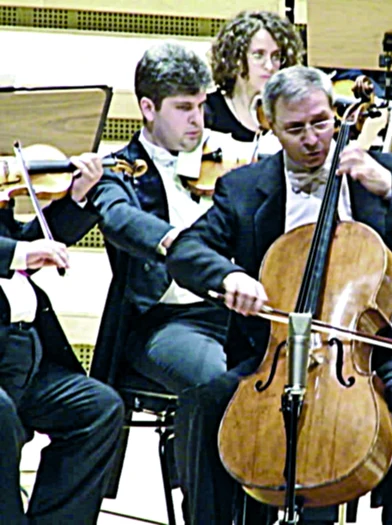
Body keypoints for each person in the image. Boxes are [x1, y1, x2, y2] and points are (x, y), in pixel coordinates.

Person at [165, 65, 392, 525]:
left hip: (371, 350)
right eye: (295, 129)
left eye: (322, 122)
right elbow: (187, 250)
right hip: (271, 354)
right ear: (269, 126)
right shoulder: (245, 187)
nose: (313, 138)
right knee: (203, 402)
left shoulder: (385, 172)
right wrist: (230, 277)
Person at [87, 42, 237, 522]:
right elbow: (118, 217)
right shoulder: (116, 170)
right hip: (161, 325)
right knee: (213, 380)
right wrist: (181, 245)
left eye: (201, 106)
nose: (198, 120)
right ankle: (206, 513)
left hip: (229, 314)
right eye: (183, 108)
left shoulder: (226, 161)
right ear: (148, 108)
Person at [0, 153, 125, 523]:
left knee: (97, 409)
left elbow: (25, 247)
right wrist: (21, 252)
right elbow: (18, 252)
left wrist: (76, 199)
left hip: (25, 354)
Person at [205, 10, 304, 151]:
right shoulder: (207, 111)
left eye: (276, 56)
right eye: (258, 55)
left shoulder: (289, 114)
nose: (270, 66)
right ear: (235, 58)